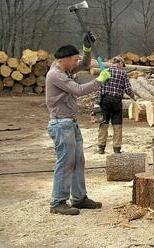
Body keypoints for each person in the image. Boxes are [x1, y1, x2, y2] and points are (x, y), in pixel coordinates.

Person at [46, 32, 111, 215]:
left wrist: (86, 49)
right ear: (64, 60)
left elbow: (84, 64)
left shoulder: (64, 68)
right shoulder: (56, 75)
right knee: (65, 162)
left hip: (70, 123)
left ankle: (79, 198)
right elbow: (78, 90)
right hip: (61, 124)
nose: (77, 63)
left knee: (78, 161)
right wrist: (99, 80)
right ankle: (57, 202)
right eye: (74, 59)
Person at [97, 56, 135, 154]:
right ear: (120, 63)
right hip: (116, 101)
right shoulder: (123, 73)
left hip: (105, 100)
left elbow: (99, 87)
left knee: (103, 123)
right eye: (123, 65)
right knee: (117, 124)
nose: (123, 67)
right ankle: (116, 148)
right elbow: (128, 89)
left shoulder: (105, 71)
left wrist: (97, 102)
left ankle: (101, 147)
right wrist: (134, 98)